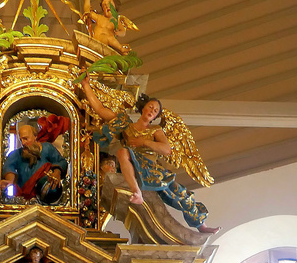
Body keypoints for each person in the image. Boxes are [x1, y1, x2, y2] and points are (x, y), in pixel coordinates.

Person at [81, 79, 217, 231]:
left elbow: (167, 149)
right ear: (143, 107)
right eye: (150, 107)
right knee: (122, 151)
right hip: (131, 167)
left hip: (152, 171)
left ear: (155, 116)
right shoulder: (125, 125)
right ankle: (136, 191)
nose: (152, 111)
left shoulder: (155, 131)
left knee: (180, 194)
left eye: (155, 111)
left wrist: (143, 142)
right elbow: (100, 109)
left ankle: (201, 225)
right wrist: (86, 85)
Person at [0, 119, 68, 204]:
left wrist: (57, 172)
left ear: (35, 136)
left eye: (25, 139)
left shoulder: (47, 148)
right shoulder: (17, 154)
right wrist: (9, 181)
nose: (23, 143)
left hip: (45, 196)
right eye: (21, 140)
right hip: (25, 199)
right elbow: (9, 167)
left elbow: (61, 161)